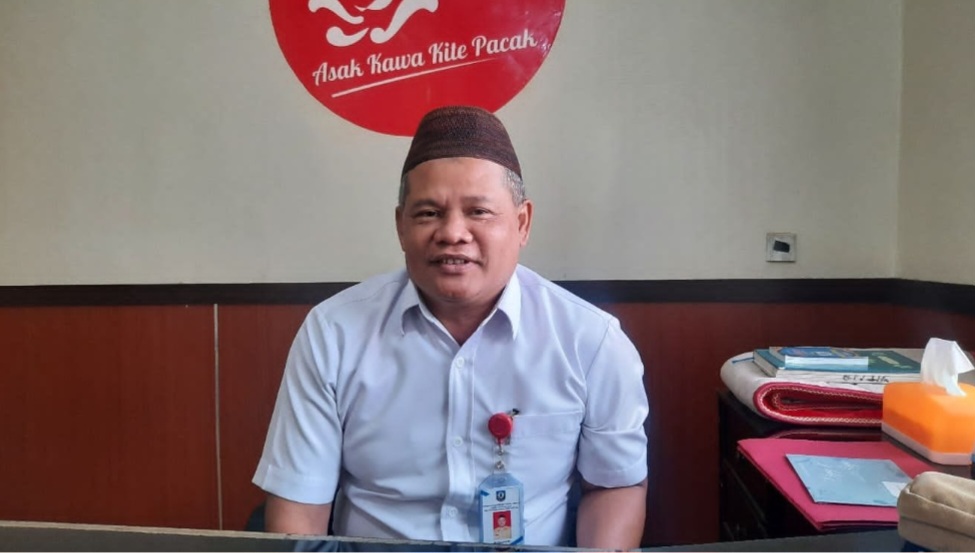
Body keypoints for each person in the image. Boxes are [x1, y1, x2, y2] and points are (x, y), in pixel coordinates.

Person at [253, 105, 649, 549]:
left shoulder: (590, 341)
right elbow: (300, 505)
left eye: (478, 211)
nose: (452, 233)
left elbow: (615, 484)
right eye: (428, 213)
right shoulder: (334, 333)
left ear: (522, 223)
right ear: (401, 227)